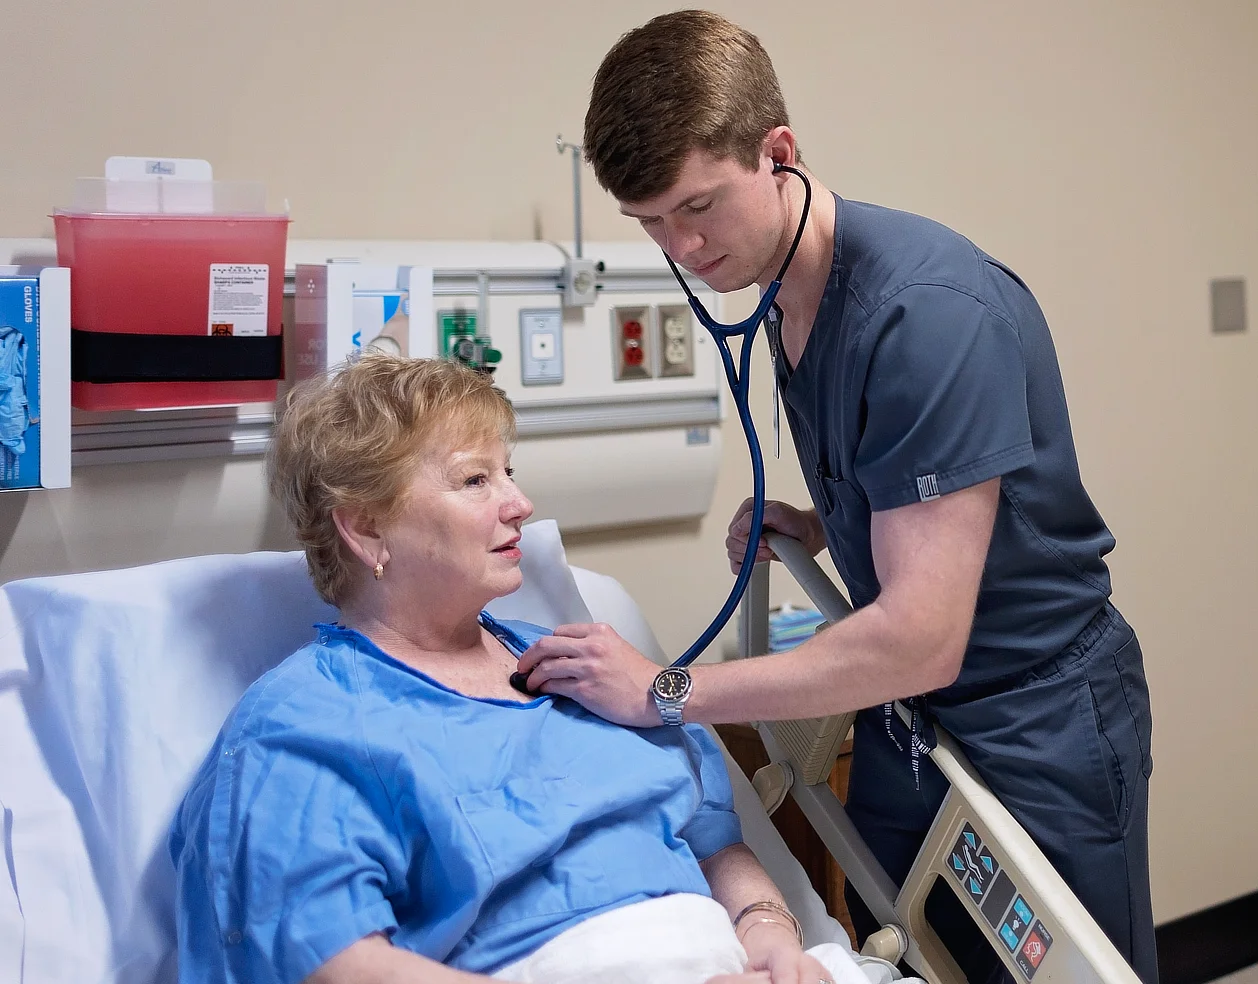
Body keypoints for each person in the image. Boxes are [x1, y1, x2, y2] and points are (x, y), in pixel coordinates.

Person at [514, 10, 1156, 982]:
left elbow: (918, 635)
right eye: (649, 223)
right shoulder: (782, 288)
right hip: (909, 722)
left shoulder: (924, 314)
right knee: (922, 957)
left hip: (1032, 723)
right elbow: (926, 483)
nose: (681, 247)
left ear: (779, 152)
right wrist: (827, 524)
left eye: (698, 206)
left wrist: (666, 692)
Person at [168, 355, 845, 984]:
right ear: (366, 528)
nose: (518, 504)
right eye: (474, 480)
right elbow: (331, 961)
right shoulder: (303, 724)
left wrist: (769, 934)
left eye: (509, 473)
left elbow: (712, 836)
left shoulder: (586, 664)